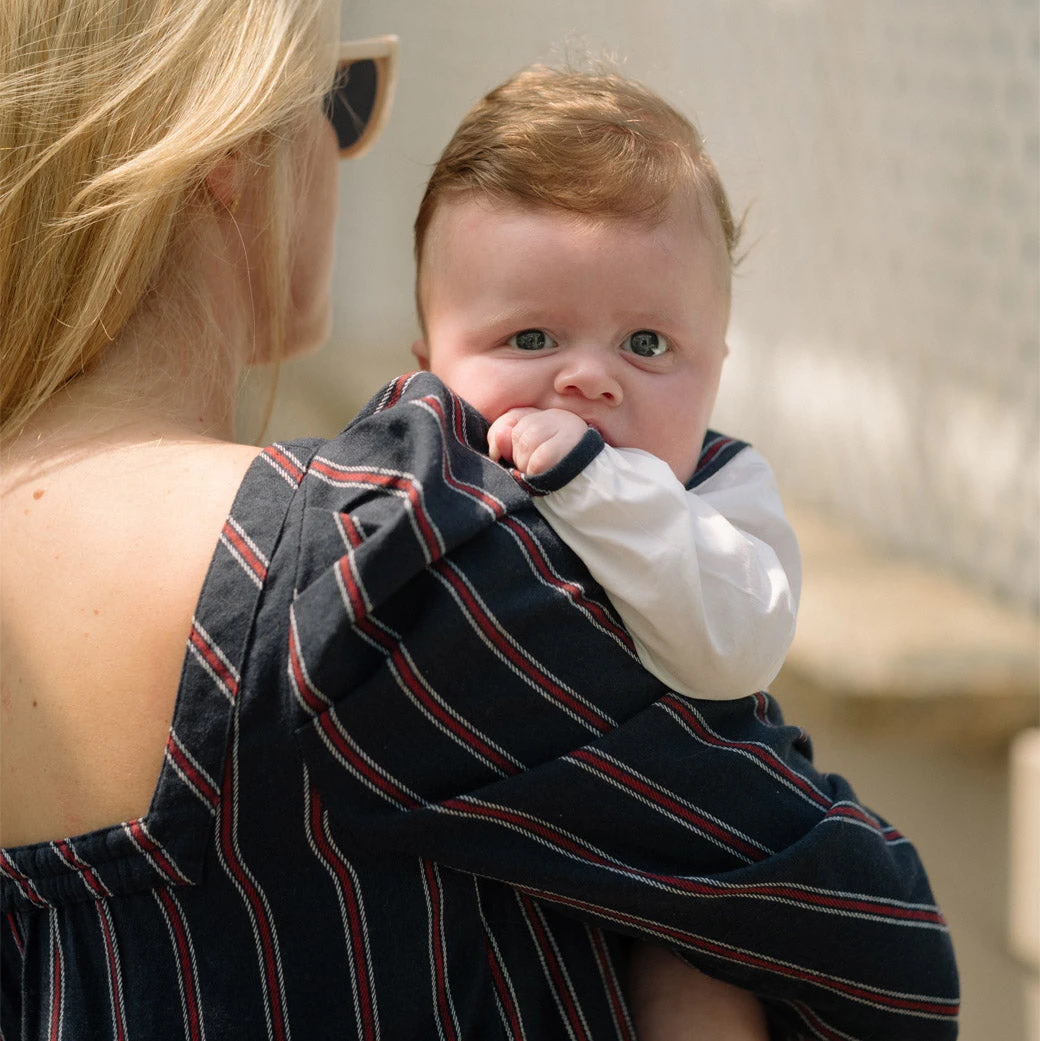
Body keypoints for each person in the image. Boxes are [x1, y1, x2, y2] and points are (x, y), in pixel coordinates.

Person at [0, 4, 959, 1040]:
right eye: (343, 94)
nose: (349, 147)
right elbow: (873, 940)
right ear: (230, 147)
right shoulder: (363, 570)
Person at [410, 65, 800, 705]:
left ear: (717, 370)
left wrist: (593, 481)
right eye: (531, 338)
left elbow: (740, 649)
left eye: (646, 344)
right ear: (429, 374)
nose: (589, 379)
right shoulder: (414, 471)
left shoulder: (723, 494)